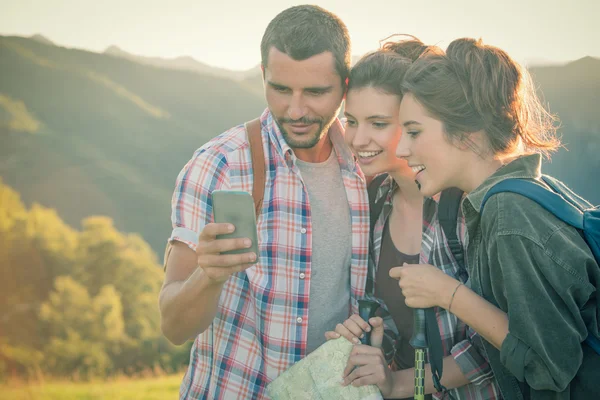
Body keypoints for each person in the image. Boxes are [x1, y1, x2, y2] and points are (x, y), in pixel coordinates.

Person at [158, 5, 370, 399]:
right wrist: (209, 275)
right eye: (281, 89)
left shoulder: (366, 168)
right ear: (263, 76)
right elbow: (173, 326)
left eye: (316, 92)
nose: (296, 110)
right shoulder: (217, 165)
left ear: (345, 85)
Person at [392, 37, 600, 399]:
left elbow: (550, 365)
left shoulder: (509, 217)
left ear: (466, 133)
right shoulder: (532, 190)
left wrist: (446, 292)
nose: (401, 148)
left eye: (414, 131)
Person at [325, 37, 501, 399]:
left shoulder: (464, 210)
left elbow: (495, 348)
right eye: (351, 121)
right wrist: (370, 341)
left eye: (377, 123)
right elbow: (397, 324)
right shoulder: (374, 201)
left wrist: (399, 384)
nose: (358, 139)